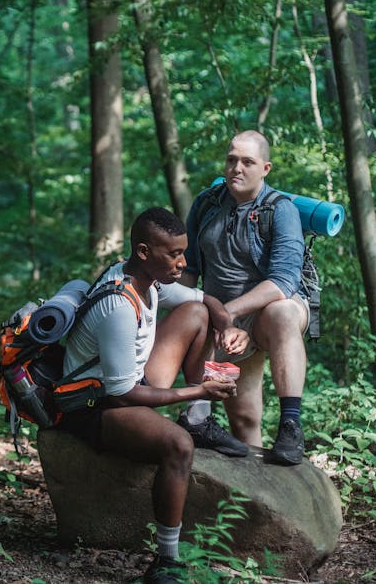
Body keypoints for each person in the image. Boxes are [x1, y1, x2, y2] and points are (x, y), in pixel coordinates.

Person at [59, 207, 246, 584]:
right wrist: (200, 388)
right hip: (94, 404)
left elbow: (203, 299)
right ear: (143, 252)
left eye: (183, 252)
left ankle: (199, 419)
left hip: (130, 377)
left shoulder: (150, 278)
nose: (182, 262)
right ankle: (166, 561)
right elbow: (124, 394)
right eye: (173, 254)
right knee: (177, 446)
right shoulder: (118, 306)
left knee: (195, 313)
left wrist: (226, 324)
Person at [179, 130, 309, 466]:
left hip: (267, 314)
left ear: (265, 168)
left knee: (281, 312)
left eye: (247, 162)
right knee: (244, 422)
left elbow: (283, 281)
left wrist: (228, 313)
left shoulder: (281, 210)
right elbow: (189, 268)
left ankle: (291, 425)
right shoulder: (206, 204)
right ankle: (252, 500)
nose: (237, 168)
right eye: (231, 159)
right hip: (222, 322)